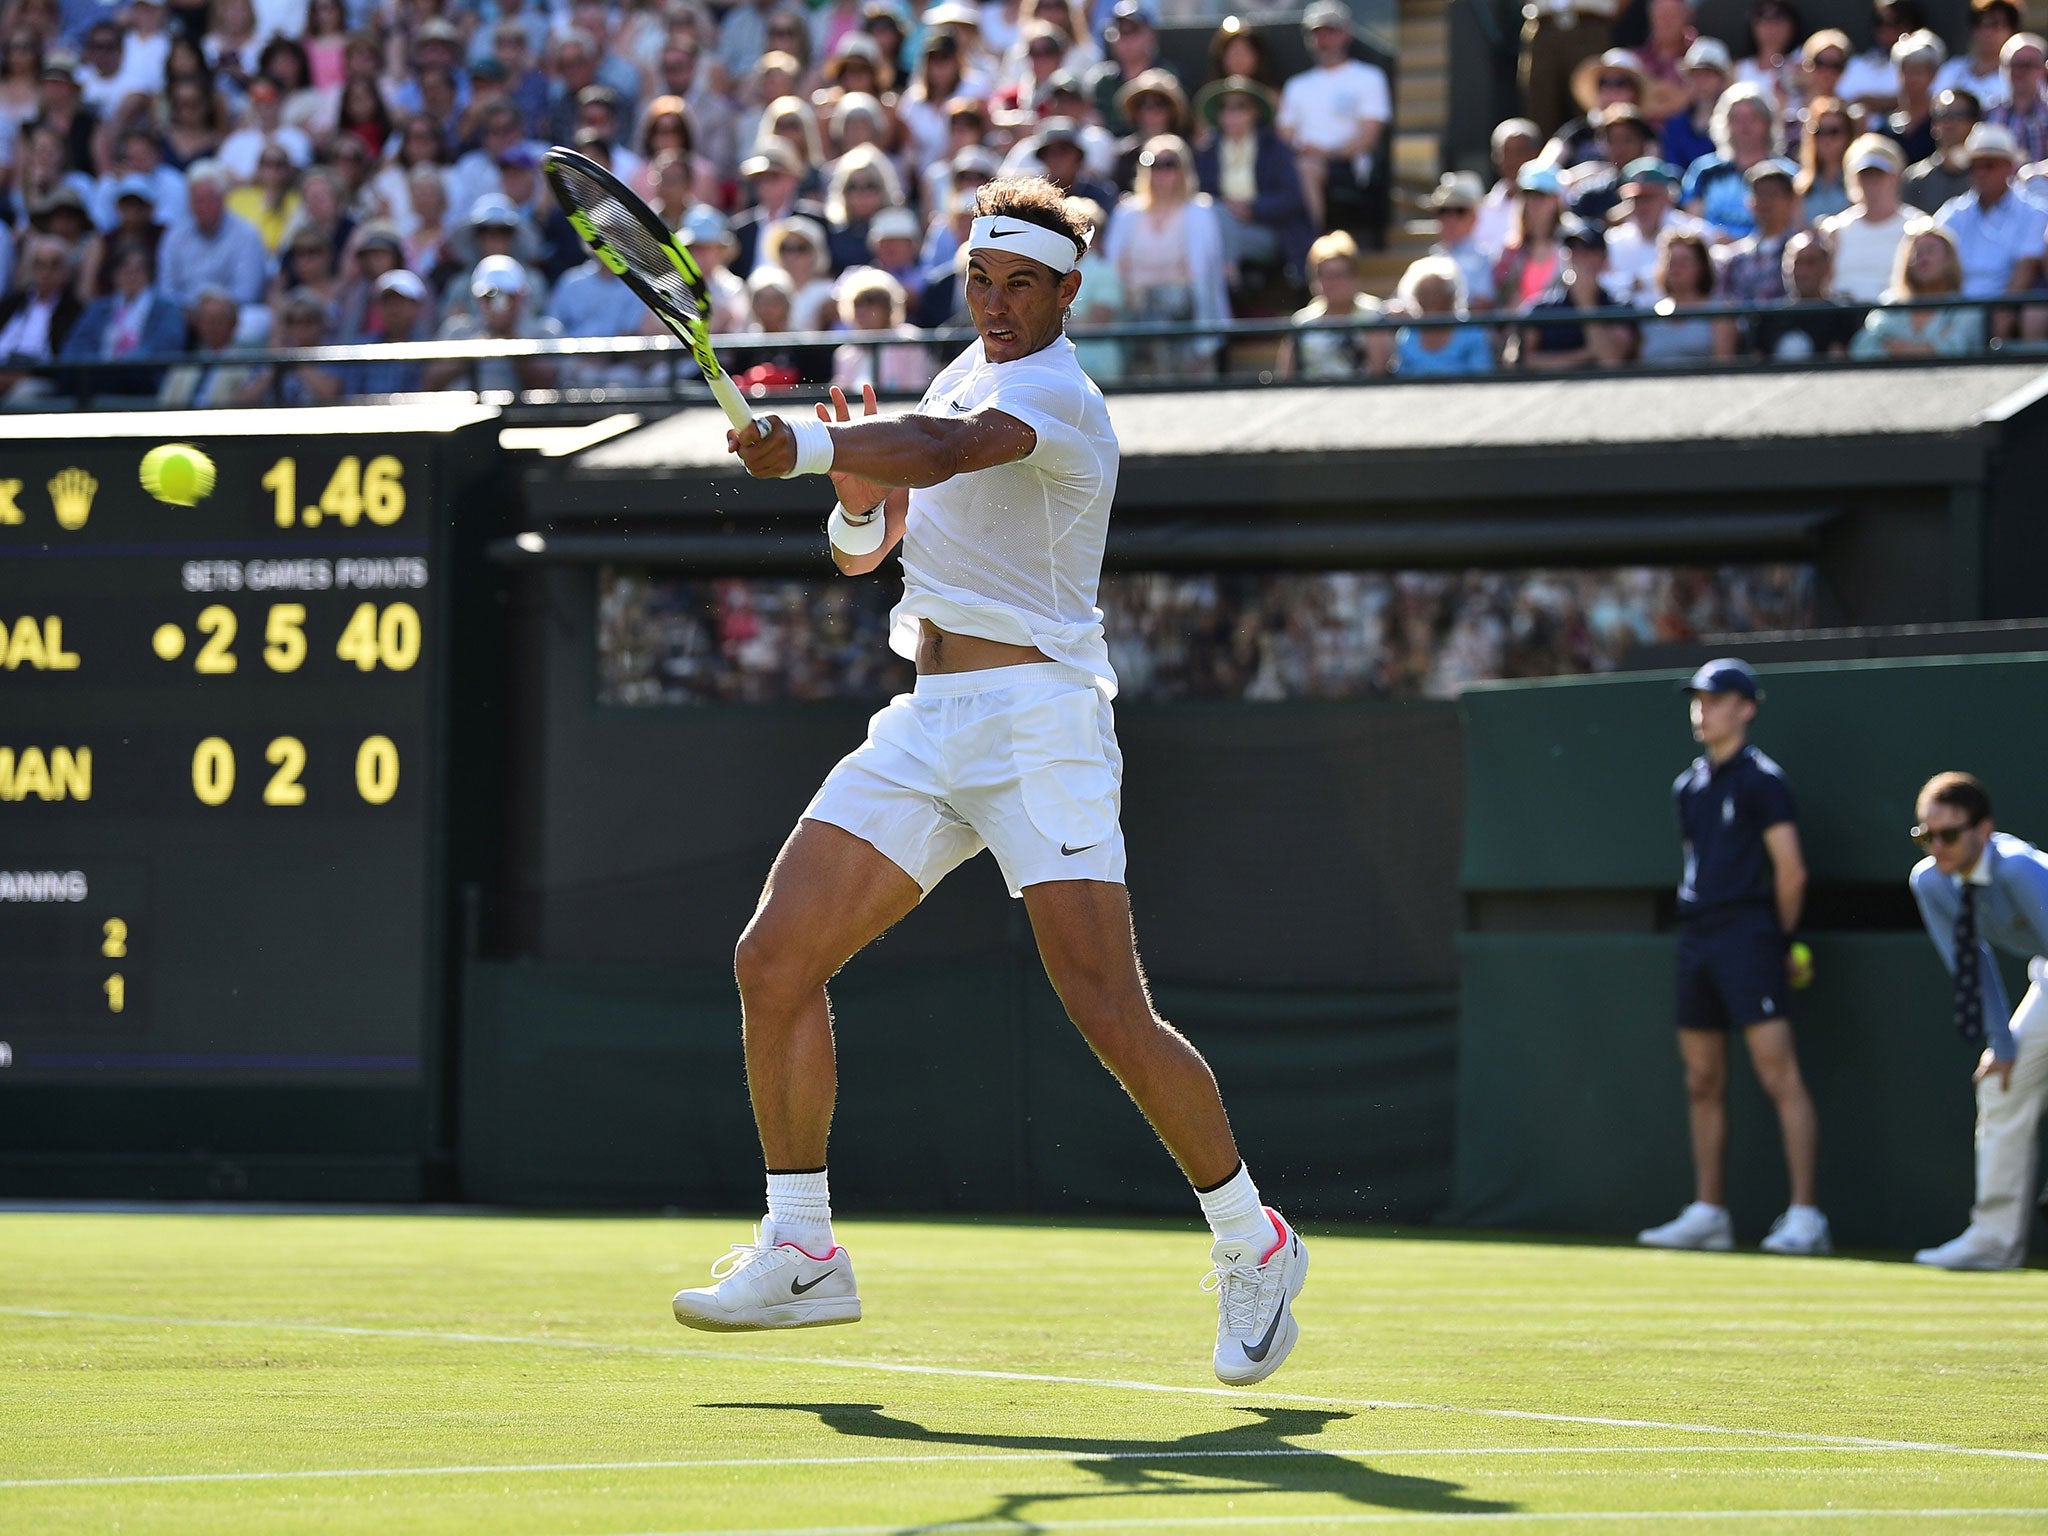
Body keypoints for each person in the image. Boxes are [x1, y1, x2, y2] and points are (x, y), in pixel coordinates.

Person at [688, 176, 1311, 1389]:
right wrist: (850, 496)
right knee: (773, 960)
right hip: (930, 717)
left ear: (1068, 292)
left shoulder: (1053, 398)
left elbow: (947, 452)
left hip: (1041, 725)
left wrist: (810, 440)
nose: (997, 303)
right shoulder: (955, 377)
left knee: (1104, 1011)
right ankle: (802, 1245)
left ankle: (1255, 1238)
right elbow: (872, 543)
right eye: (980, 279)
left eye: (1022, 283)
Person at [1639, 658, 1829, 1257]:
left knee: (1778, 1073)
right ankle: (1709, 1212)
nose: (1704, 709)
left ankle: (1805, 1216)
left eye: (1717, 699)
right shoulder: (1687, 787)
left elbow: (1791, 871)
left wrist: (1781, 939)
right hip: (1698, 936)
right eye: (1698, 698)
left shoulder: (1763, 782)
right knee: (1701, 1079)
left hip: (1752, 935)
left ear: (1746, 709)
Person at [1905, 772, 2048, 1271]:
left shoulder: (2018, 871)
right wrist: (2001, 1041)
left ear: (1982, 830)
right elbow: (1971, 962)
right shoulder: (1930, 881)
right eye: (1926, 836)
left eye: (1948, 835)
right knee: (1999, 1085)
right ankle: (1993, 1240)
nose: (1937, 847)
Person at [1276, 0, 1388, 233]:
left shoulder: (1369, 77)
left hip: (1349, 167)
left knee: (1306, 168)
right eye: (1317, 32)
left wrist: (1326, 153)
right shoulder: (1297, 85)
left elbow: (1370, 135)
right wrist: (1304, 150)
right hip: (1302, 163)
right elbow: (1284, 135)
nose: (1324, 39)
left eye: (1331, 31)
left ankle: (1313, 244)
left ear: (1347, 33)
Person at [1933, 124, 2045, 328]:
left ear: (2009, 167)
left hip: (1999, 312)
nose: (1981, 172)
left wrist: (1997, 317)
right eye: (1974, 166)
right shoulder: (1953, 213)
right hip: (1952, 310)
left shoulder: (2034, 212)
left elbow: (2023, 274)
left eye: (1989, 165)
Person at [1850, 219, 1983, 355]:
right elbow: (1863, 348)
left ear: (1949, 260)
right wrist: (1929, 349)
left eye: (1930, 251)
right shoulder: (1890, 306)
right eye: (1917, 253)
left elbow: (1958, 348)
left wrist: (1897, 349)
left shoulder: (1965, 310)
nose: (1923, 259)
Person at [1274, 227, 1384, 379]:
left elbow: (1378, 373)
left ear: (1354, 276)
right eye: (1326, 275)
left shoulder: (1374, 315)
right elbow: (1285, 376)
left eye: (1340, 275)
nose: (1333, 283)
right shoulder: (1303, 322)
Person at [1820, 133, 1909, 301]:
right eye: (1865, 174)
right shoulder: (1834, 230)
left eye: (1878, 174)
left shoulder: (1917, 227)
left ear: (1895, 177)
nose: (1871, 182)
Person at [1749, 229, 1860, 356]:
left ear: (1827, 268)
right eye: (1797, 263)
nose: (1803, 272)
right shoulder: (1767, 318)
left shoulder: (1841, 317)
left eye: (1811, 263)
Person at [1390, 255, 1493, 376]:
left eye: (1436, 293)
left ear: (1450, 295)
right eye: (1424, 293)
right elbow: (1402, 377)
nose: (1430, 300)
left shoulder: (1471, 332)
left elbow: (1481, 376)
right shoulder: (1408, 335)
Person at [1903, 88, 1980, 212]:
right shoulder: (1915, 178)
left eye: (1958, 115)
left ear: (1975, 122)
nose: (1948, 122)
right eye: (1942, 115)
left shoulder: (1986, 175)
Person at [1933, 0, 2018, 112]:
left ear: (2011, 30)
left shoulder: (2018, 76)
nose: (1987, 31)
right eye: (1980, 24)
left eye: (1995, 24)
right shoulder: (1952, 70)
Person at [1985, 33, 2047, 165]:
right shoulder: (1988, 113)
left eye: (2028, 65)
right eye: (2014, 64)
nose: (2020, 71)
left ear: (2042, 69)